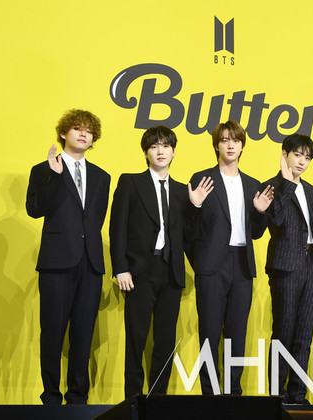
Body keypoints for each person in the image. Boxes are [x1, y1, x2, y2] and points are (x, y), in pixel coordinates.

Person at [109, 126, 213, 398]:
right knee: (136, 339)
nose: (160, 151)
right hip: (139, 271)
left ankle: (157, 400)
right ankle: (133, 401)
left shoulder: (181, 190)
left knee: (165, 341)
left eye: (166, 146)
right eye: (154, 146)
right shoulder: (130, 182)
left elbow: (188, 236)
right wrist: (120, 268)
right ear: (146, 152)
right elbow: (117, 228)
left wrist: (196, 206)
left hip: (171, 272)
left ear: (174, 152)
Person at [26, 109, 110, 404]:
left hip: (91, 263)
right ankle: (51, 397)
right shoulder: (44, 169)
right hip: (57, 263)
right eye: (77, 128)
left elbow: (95, 220)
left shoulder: (102, 176)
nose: (83, 134)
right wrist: (54, 175)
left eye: (89, 131)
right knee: (52, 332)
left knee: (84, 334)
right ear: (63, 133)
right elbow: (35, 209)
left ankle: (77, 398)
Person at [189, 120, 274, 395]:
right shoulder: (203, 179)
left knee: (237, 334)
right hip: (212, 265)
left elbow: (257, 233)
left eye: (235, 141)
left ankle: (233, 393)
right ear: (216, 145)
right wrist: (195, 205)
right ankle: (210, 395)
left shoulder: (252, 184)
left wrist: (260, 212)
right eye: (225, 140)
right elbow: (190, 229)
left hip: (242, 264)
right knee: (210, 333)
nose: (230, 145)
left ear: (242, 146)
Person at [264, 134, 313, 404]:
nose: (302, 161)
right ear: (284, 154)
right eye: (297, 155)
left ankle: (298, 394)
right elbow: (274, 220)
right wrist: (287, 185)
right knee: (283, 333)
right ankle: (277, 395)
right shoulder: (271, 186)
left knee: (303, 335)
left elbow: (312, 231)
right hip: (285, 267)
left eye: (307, 158)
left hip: (311, 267)